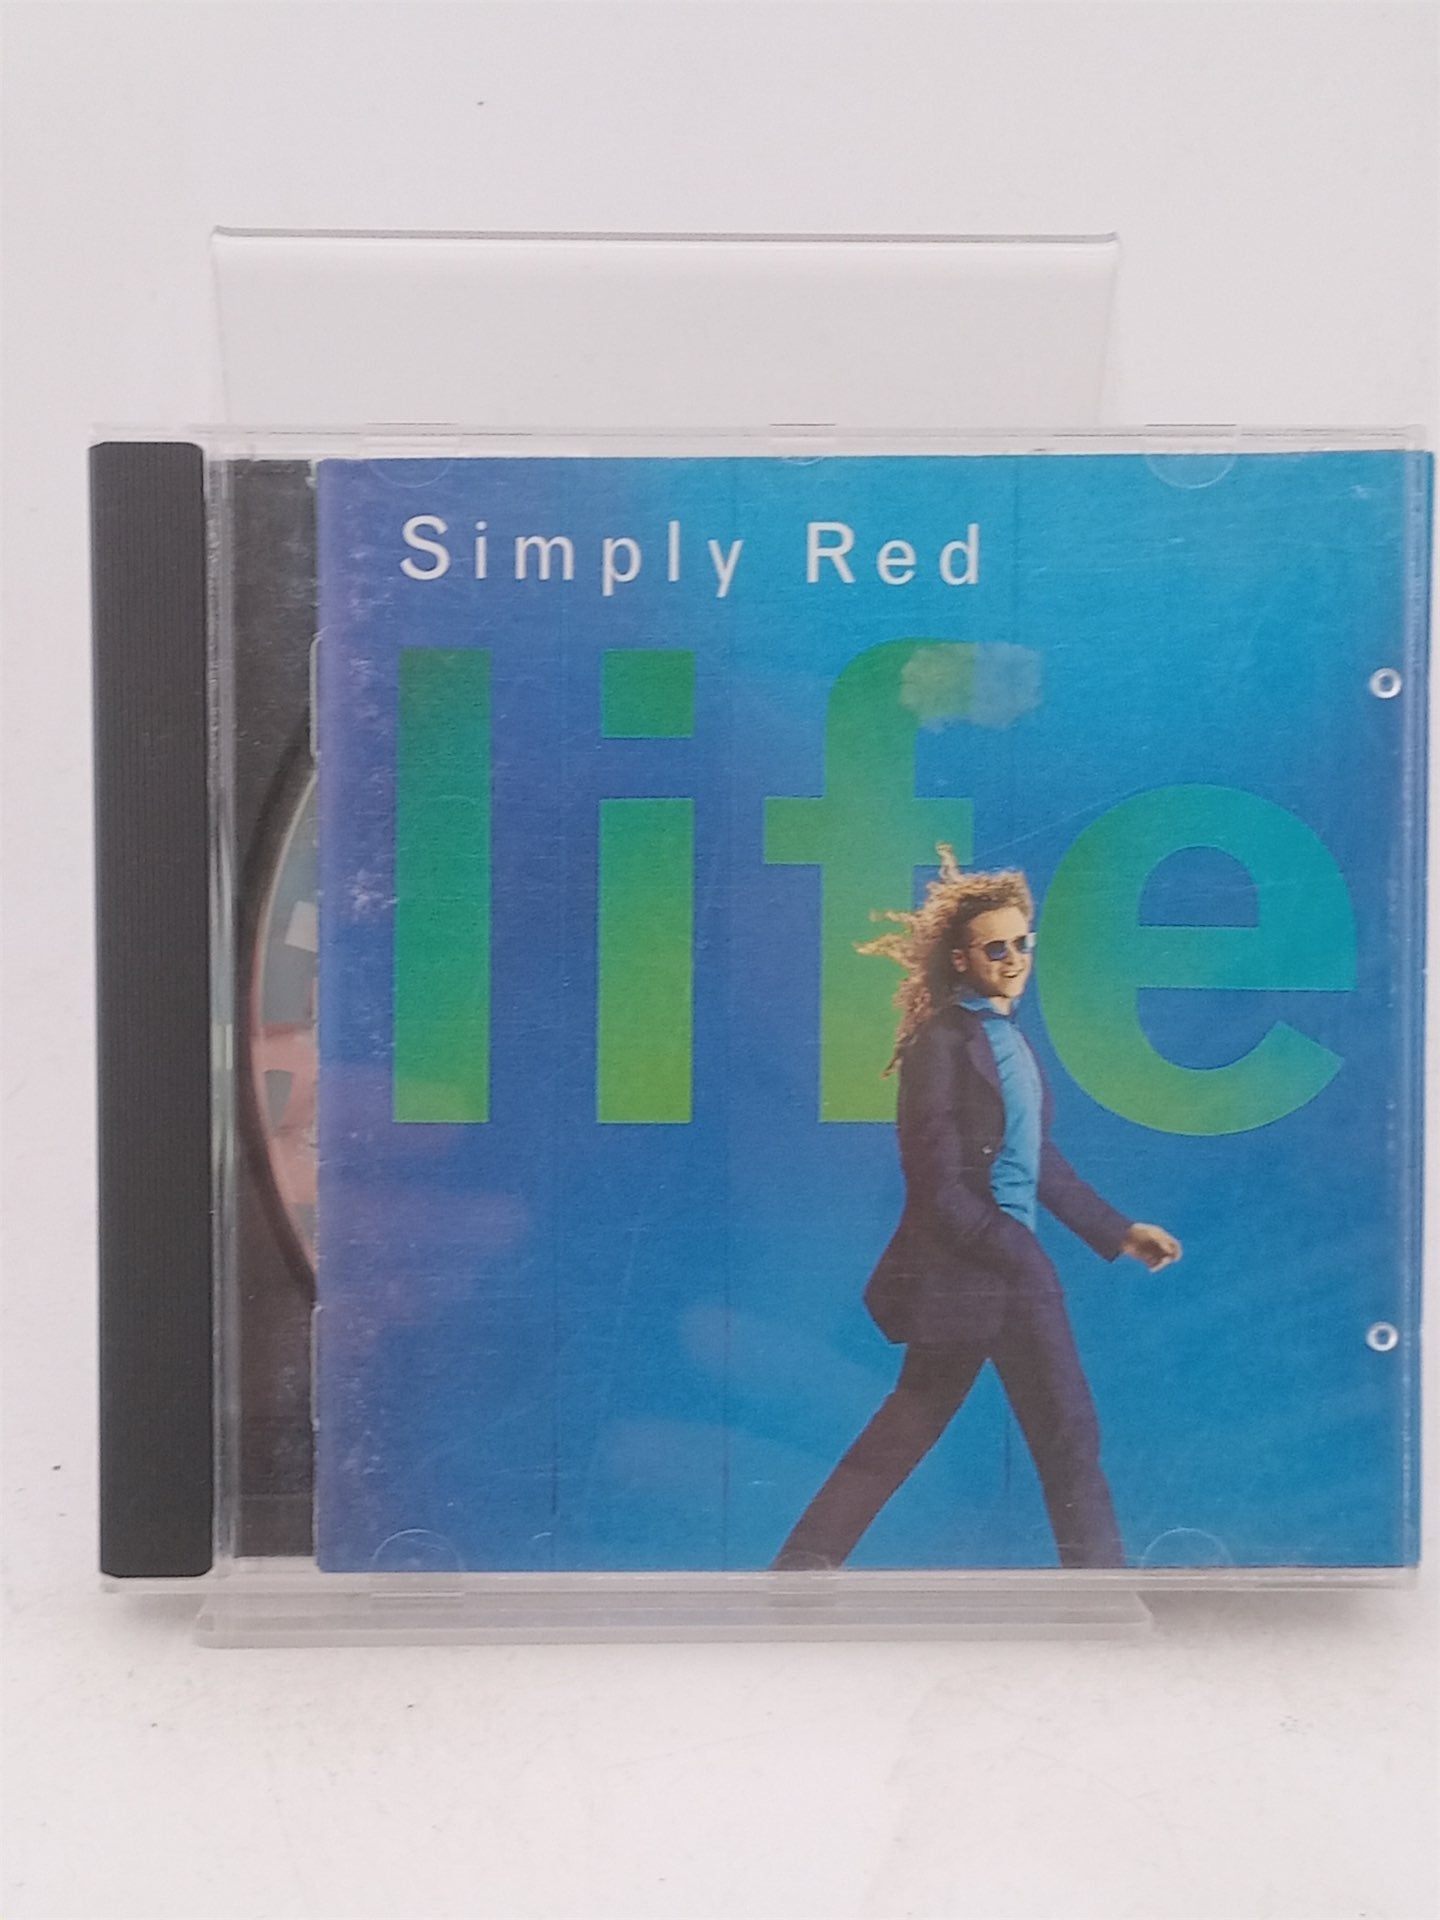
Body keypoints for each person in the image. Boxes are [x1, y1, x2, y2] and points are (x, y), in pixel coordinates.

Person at [773, 853, 1181, 1570]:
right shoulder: (941, 1043)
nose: (1015, 958)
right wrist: (1018, 1255)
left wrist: (1118, 1232)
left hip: (993, 1271)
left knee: (917, 1422)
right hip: (982, 1270)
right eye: (997, 948)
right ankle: (1101, 1594)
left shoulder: (1007, 1038)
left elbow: (1037, 1160)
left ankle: (800, 1567)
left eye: (1024, 943)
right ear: (961, 958)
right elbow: (936, 1184)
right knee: (1064, 1435)